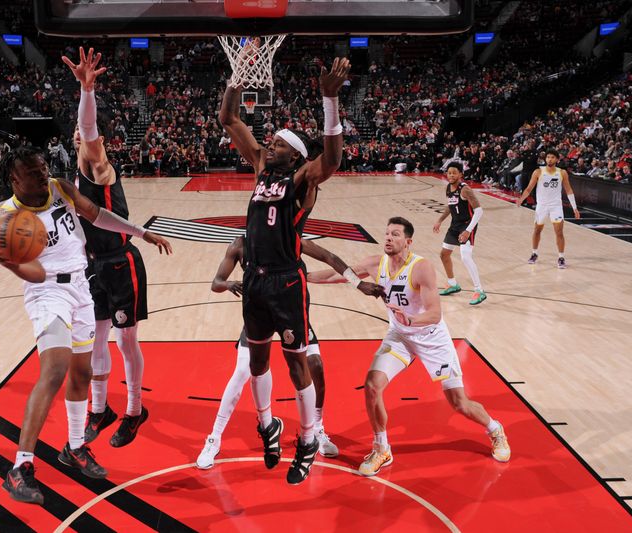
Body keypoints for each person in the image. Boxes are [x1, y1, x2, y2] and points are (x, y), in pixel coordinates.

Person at [0, 146, 171, 505]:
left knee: (82, 374)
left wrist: (140, 233)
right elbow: (35, 272)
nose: (43, 173)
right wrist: (10, 264)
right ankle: (19, 467)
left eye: (43, 166)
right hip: (46, 293)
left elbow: (97, 214)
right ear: (15, 178)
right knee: (54, 369)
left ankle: (74, 448)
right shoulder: (11, 218)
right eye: (33, 171)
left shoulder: (60, 187)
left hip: (81, 289)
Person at [218, 50, 351, 485]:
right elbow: (228, 118)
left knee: (297, 366)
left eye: (276, 143)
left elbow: (330, 160)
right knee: (258, 362)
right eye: (269, 141)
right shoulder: (259, 167)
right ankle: (267, 426)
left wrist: (329, 102)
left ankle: (309, 438)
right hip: (254, 279)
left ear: (292, 156)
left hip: (287, 282)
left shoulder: (302, 181)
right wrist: (238, 75)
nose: (267, 144)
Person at [307, 217, 511, 477]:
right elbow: (340, 274)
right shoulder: (375, 263)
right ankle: (382, 448)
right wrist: (305, 276)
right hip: (400, 336)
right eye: (386, 233)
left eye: (395, 234)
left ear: (408, 241)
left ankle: (495, 430)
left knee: (458, 402)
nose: (388, 238)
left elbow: (435, 314)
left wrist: (411, 319)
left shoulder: (421, 267)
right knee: (372, 384)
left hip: (430, 337)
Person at [196, 236, 384, 469]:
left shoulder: (289, 239)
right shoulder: (240, 245)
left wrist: (357, 283)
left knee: (315, 365)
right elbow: (216, 282)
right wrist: (229, 284)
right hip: (260, 315)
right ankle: (214, 438)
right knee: (242, 371)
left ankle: (317, 429)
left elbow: (329, 256)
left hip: (290, 313)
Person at [61, 47, 156, 448]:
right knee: (95, 340)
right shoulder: (76, 175)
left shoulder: (101, 169)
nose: (82, 136)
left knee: (124, 340)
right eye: (78, 134)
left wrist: (86, 91)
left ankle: (135, 409)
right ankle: (101, 408)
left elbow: (90, 128)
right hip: (93, 266)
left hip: (121, 264)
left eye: (87, 135)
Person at [433, 162, 486, 305]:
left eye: (454, 173)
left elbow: (479, 211)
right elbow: (450, 206)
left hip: (467, 225)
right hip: (455, 225)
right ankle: (452, 284)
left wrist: (468, 230)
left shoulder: (465, 190)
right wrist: (440, 220)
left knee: (465, 257)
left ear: (461, 174)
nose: (451, 175)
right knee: (444, 254)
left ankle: (479, 290)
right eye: (449, 172)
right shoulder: (449, 188)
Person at [516, 148, 580, 268]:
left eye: (552, 157)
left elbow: (569, 190)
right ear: (545, 159)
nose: (549, 159)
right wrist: (521, 198)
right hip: (542, 206)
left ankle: (561, 257)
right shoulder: (538, 172)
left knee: (559, 232)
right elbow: (529, 188)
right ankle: (534, 253)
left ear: (557, 159)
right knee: (537, 230)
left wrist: (574, 208)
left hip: (556, 206)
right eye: (548, 157)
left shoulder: (562, 173)